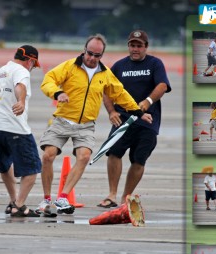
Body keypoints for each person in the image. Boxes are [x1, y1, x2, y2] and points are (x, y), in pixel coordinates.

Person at [37, 33, 152, 215]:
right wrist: (57, 93)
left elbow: (120, 94)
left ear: (102, 55)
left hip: (86, 125)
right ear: (84, 51)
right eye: (89, 53)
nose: (92, 58)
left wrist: (139, 113)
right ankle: (46, 200)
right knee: (48, 156)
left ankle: (63, 197)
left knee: (83, 156)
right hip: (63, 119)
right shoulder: (69, 66)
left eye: (96, 55)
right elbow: (48, 80)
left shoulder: (105, 74)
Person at [97, 30, 171, 208]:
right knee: (114, 152)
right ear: (128, 46)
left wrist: (148, 101)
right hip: (122, 120)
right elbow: (106, 90)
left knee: (139, 160)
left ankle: (125, 197)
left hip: (147, 121)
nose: (135, 49)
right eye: (132, 45)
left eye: (139, 46)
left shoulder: (155, 64)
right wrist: (111, 111)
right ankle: (112, 194)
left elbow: (162, 85)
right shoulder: (119, 66)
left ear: (146, 47)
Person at [0, 45, 43, 217]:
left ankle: (13, 201)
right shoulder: (21, 71)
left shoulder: (2, 70)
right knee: (32, 169)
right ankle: (19, 205)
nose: (33, 68)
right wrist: (22, 101)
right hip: (13, 127)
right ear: (30, 61)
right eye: (34, 65)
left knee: (5, 165)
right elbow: (20, 86)